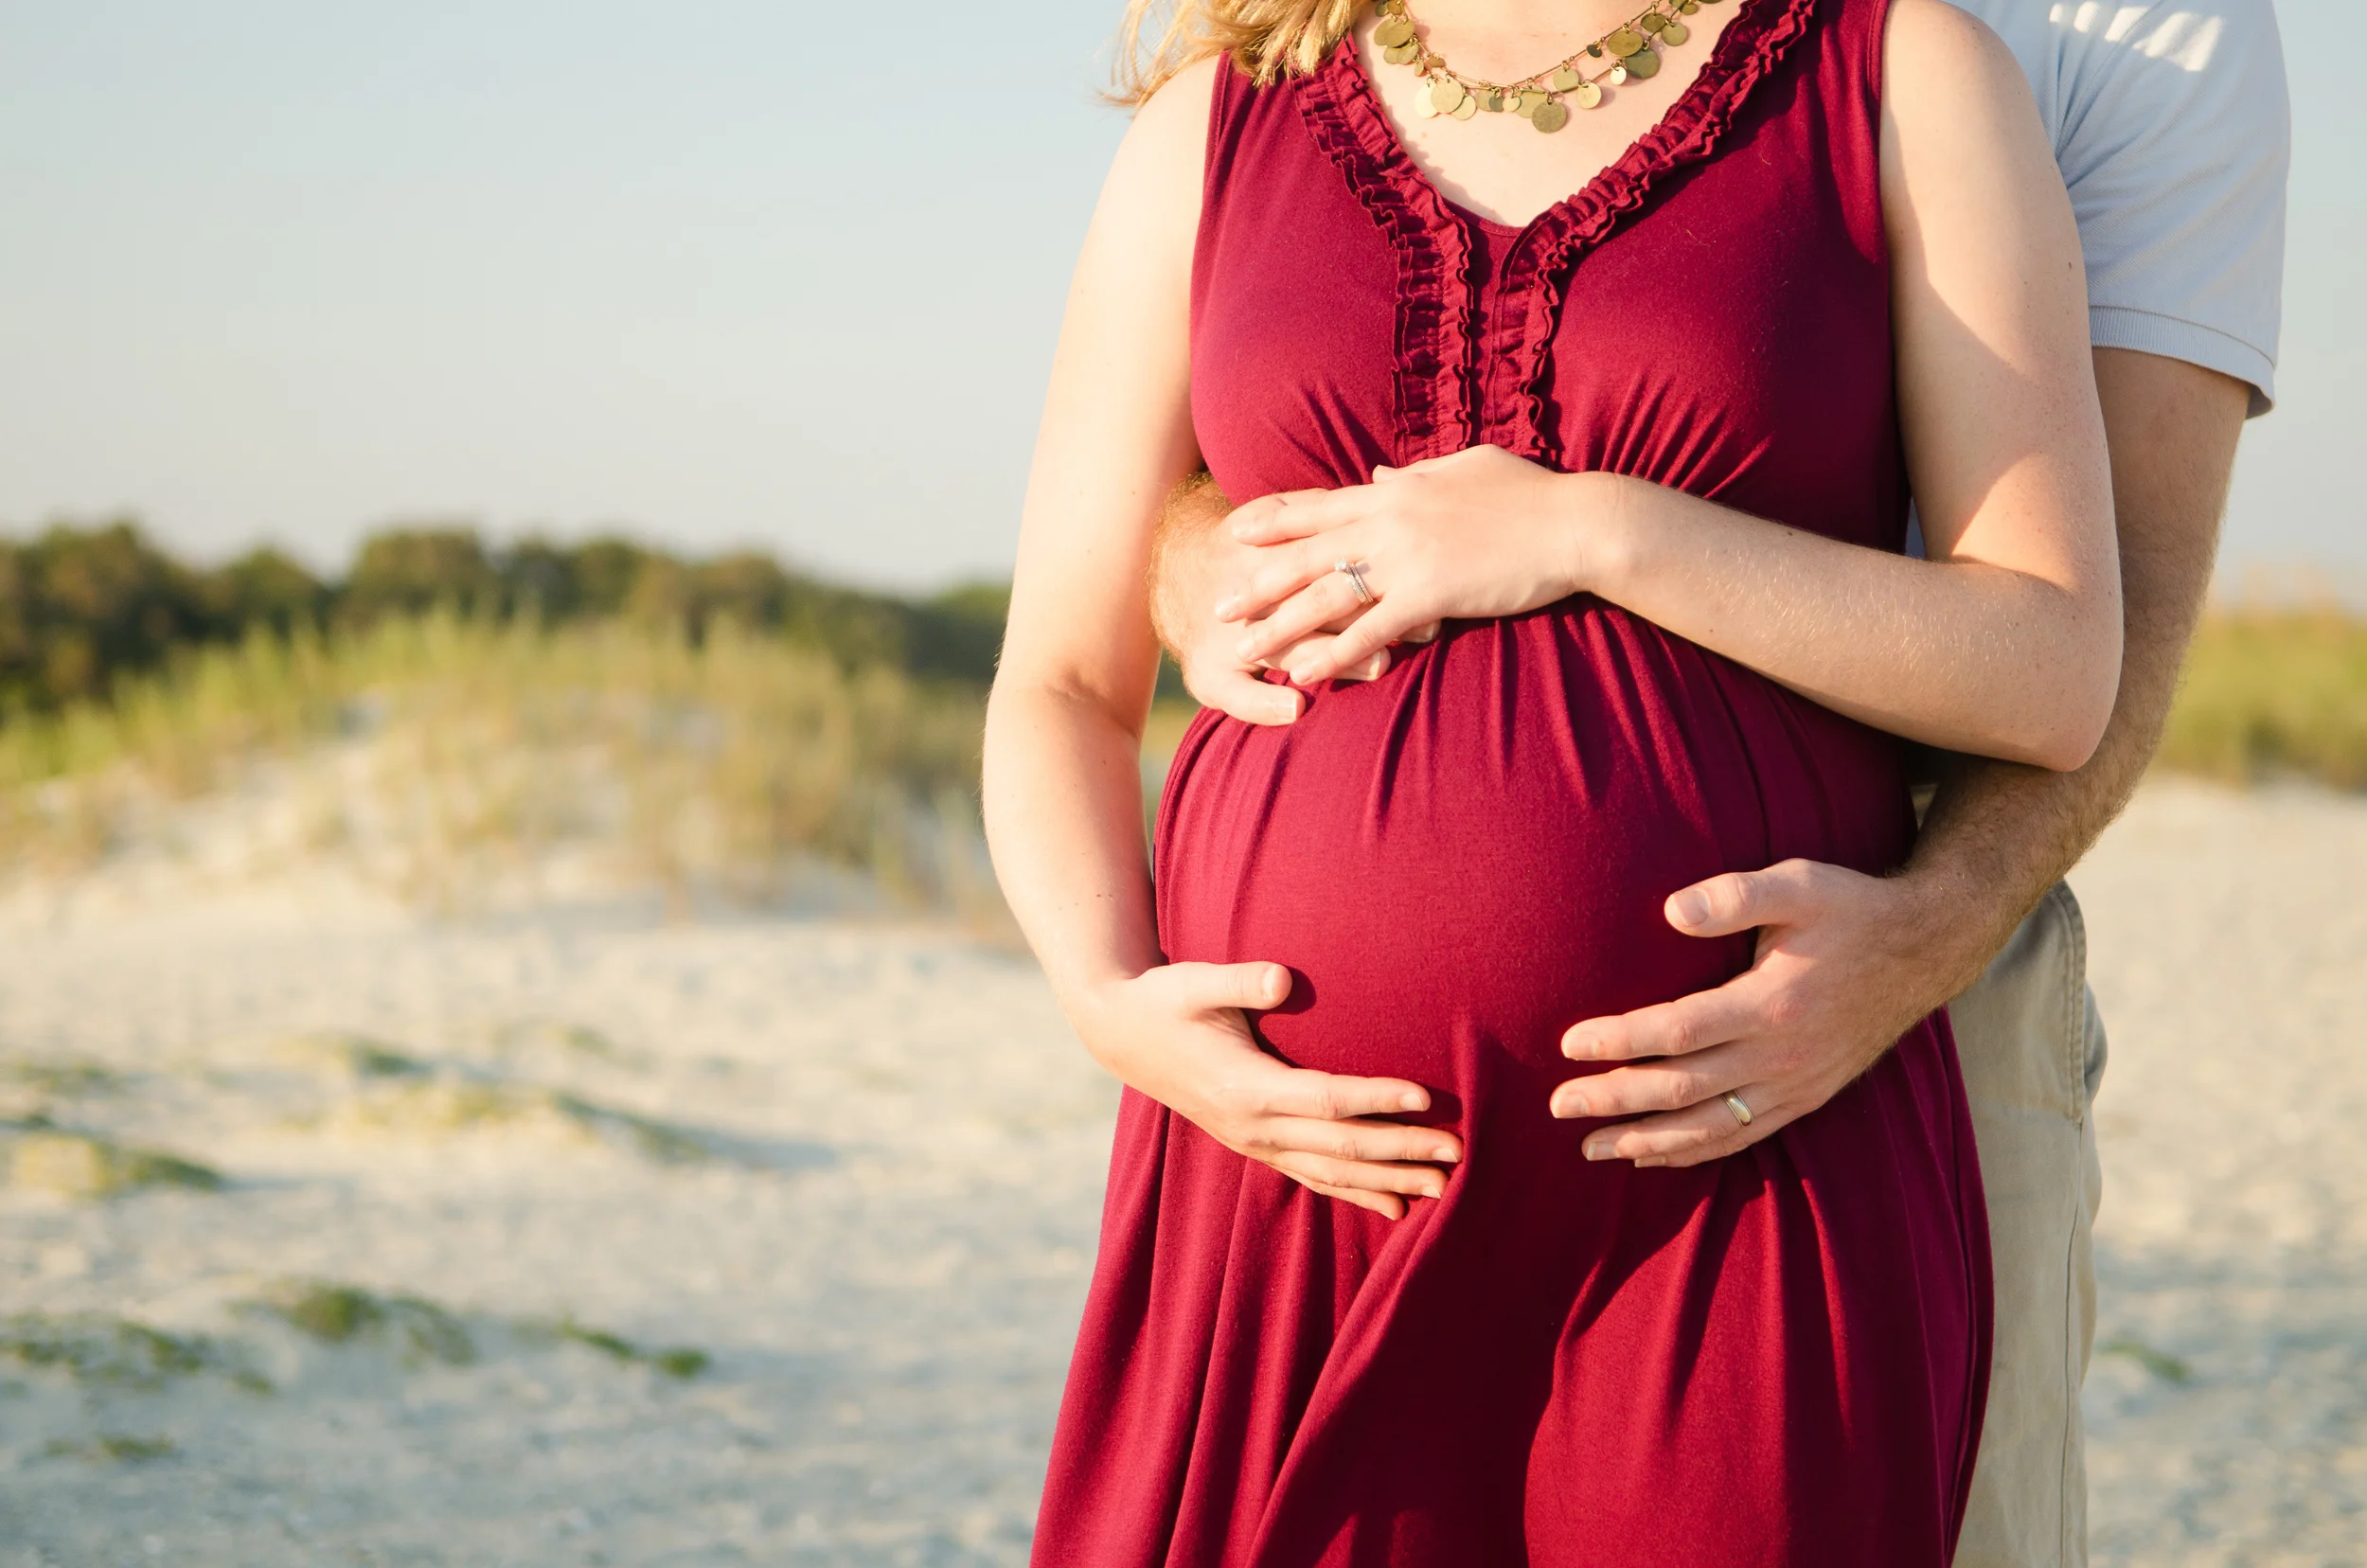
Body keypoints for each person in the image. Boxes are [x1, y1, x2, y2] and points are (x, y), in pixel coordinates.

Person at [1146, 4, 2287, 1564]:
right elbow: (1185, 486)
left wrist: (1932, 927)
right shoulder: (1292, 80)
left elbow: (2111, 606)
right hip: (1318, 1158)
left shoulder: (2109, 30)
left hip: (1860, 1000)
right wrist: (1181, 564)